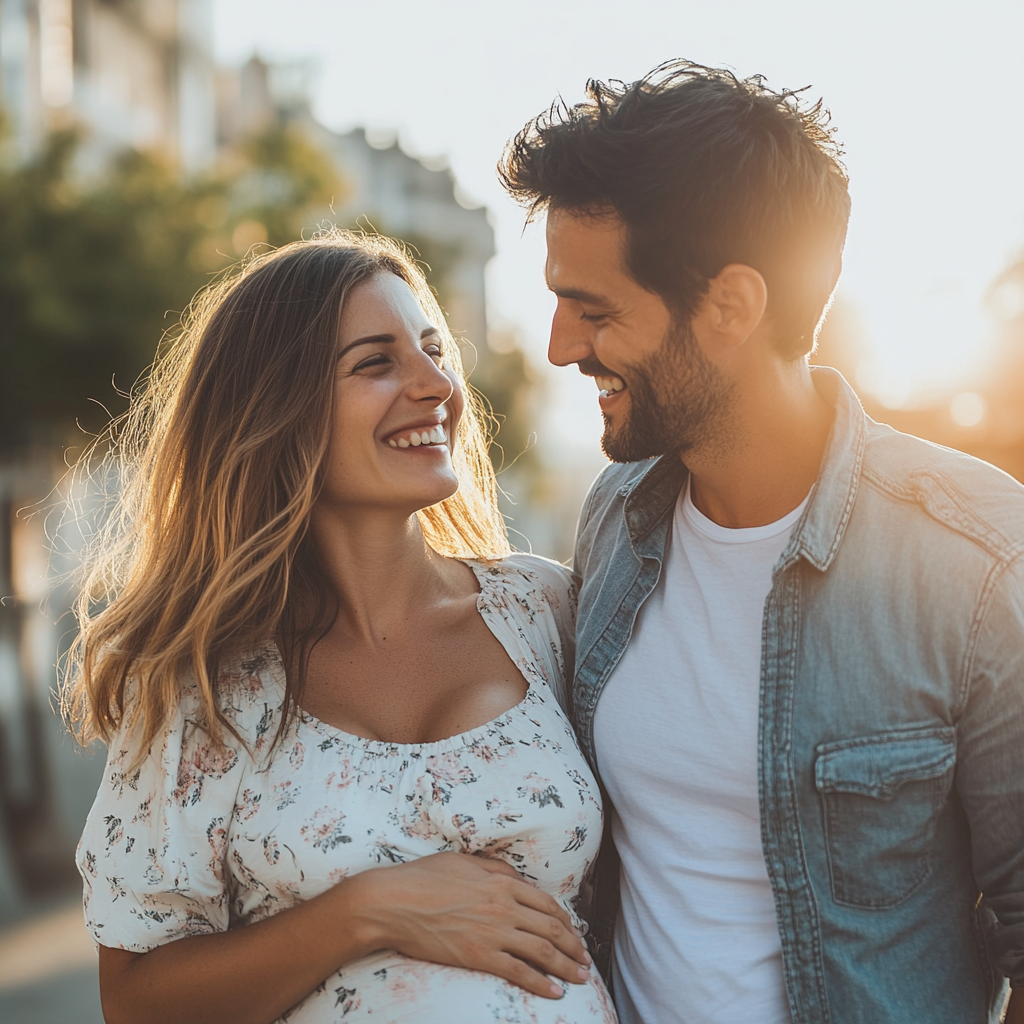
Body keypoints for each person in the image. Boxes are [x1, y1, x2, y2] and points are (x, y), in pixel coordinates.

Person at [499, 61, 1024, 1024]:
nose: (559, 346)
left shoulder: (979, 562)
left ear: (731, 306)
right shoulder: (616, 517)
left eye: (595, 308)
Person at [68, 231, 617, 1024]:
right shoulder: (202, 685)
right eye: (376, 362)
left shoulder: (547, 614)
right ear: (277, 410)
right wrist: (368, 910)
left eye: (433, 350)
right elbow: (135, 1000)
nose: (436, 385)